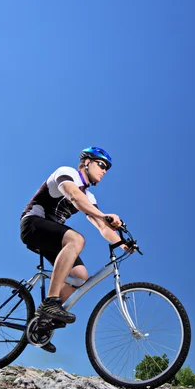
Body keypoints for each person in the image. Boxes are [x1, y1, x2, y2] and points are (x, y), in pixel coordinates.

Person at [20, 146, 123, 353]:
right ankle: (51, 302)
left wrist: (122, 243)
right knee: (76, 239)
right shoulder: (67, 173)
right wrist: (105, 216)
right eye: (101, 165)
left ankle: (42, 323)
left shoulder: (90, 198)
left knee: (80, 277)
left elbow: (102, 226)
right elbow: (74, 196)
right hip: (33, 224)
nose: (104, 171)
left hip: (54, 236)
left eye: (107, 169)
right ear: (86, 162)